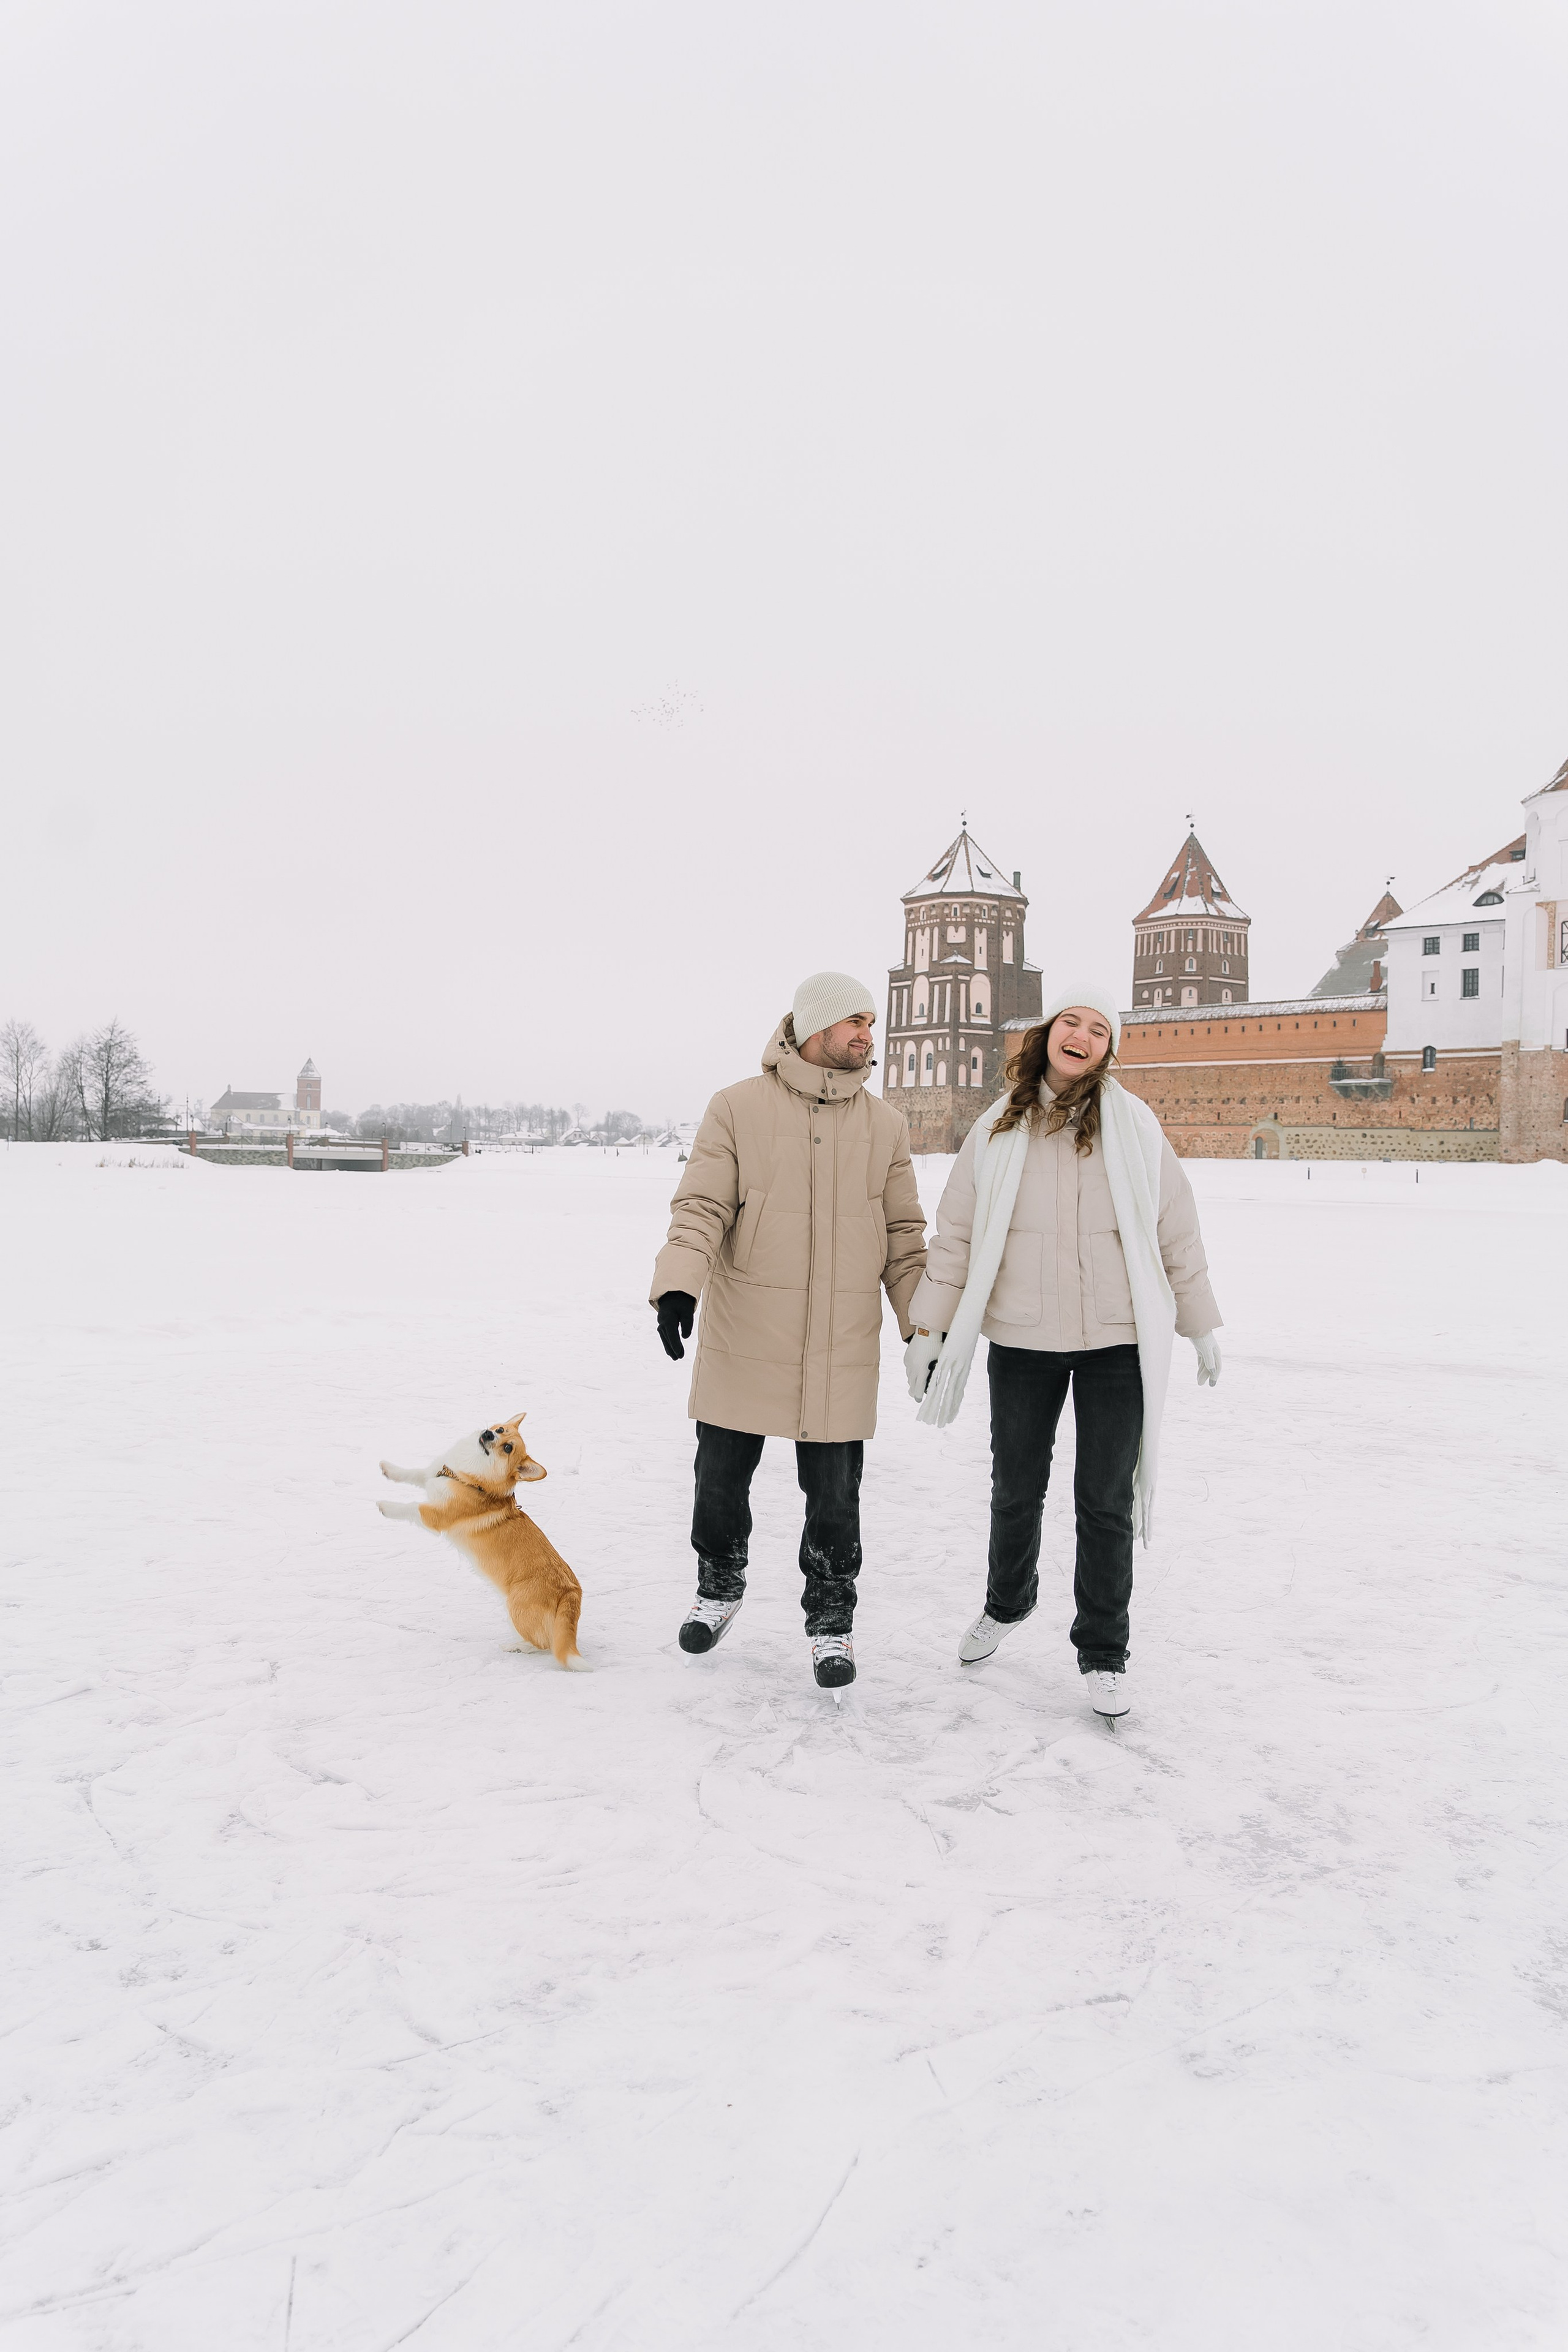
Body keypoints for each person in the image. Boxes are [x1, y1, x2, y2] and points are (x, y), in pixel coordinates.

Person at [902, 986, 1221, 1724]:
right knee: (1016, 1490)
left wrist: (1198, 1321)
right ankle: (1005, 1604)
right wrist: (931, 1328)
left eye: (1098, 1028)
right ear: (1048, 1034)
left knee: (1104, 1503)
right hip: (1020, 1338)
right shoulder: (995, 1130)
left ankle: (1104, 1651)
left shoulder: (1134, 1126)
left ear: (1109, 1050)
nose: (1081, 1035)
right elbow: (955, 1239)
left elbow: (1177, 1229)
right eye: (1071, 1022)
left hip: (1116, 1341)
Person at [650, 973, 927, 1688]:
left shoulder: (885, 1125)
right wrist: (679, 1283)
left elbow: (902, 1236)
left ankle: (832, 1625)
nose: (868, 1033)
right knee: (718, 1483)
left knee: (835, 1501)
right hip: (747, 1331)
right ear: (813, 1029)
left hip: (840, 1341)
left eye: (871, 1021)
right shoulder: (737, 1108)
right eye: (853, 1022)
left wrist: (921, 1325)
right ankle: (719, 1587)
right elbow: (702, 1206)